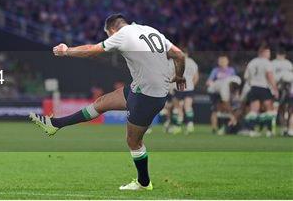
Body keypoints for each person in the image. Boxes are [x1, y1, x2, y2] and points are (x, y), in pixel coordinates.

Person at [29, 14, 186, 191]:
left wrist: (66, 51)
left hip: (148, 95)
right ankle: (55, 124)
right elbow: (179, 55)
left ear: (111, 30)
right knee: (102, 102)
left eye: (108, 35)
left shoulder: (123, 34)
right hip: (141, 88)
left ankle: (144, 183)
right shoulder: (151, 30)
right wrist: (179, 76)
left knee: (133, 142)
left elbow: (91, 50)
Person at [244, 45, 279, 137]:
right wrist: (275, 89)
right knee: (269, 110)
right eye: (268, 52)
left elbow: (246, 76)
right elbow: (269, 76)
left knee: (254, 111)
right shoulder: (267, 63)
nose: (269, 54)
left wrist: (252, 83)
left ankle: (252, 130)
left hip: (254, 87)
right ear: (263, 53)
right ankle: (269, 131)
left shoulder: (252, 62)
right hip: (263, 87)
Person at [170, 51, 199, 134]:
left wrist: (170, 87)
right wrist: (191, 85)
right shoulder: (192, 62)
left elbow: (172, 75)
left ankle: (177, 126)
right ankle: (190, 125)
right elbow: (196, 77)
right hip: (189, 88)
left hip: (178, 88)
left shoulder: (176, 61)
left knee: (177, 108)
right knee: (188, 107)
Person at [206, 55, 236, 133]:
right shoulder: (215, 70)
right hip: (216, 93)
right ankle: (214, 128)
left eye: (224, 61)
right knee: (215, 110)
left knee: (226, 109)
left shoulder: (231, 70)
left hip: (226, 93)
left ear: (227, 62)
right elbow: (209, 81)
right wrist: (211, 84)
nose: (222, 62)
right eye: (221, 61)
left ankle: (227, 126)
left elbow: (234, 82)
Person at [272, 49, 293, 135]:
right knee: (281, 109)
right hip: (280, 88)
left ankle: (287, 128)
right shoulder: (274, 63)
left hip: (286, 89)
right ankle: (286, 128)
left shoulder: (287, 63)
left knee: (285, 109)